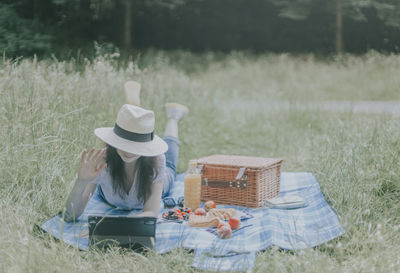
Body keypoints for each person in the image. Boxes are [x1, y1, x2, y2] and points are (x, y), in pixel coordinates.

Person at [63, 82, 188, 222]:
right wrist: (81, 181)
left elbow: (150, 214)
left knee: (171, 165)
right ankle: (133, 106)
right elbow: (69, 216)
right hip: (111, 197)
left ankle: (173, 117)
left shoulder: (156, 161)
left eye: (136, 145)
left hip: (160, 180)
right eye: (124, 143)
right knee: (134, 124)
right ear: (113, 141)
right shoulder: (101, 162)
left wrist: (107, 228)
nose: (129, 151)